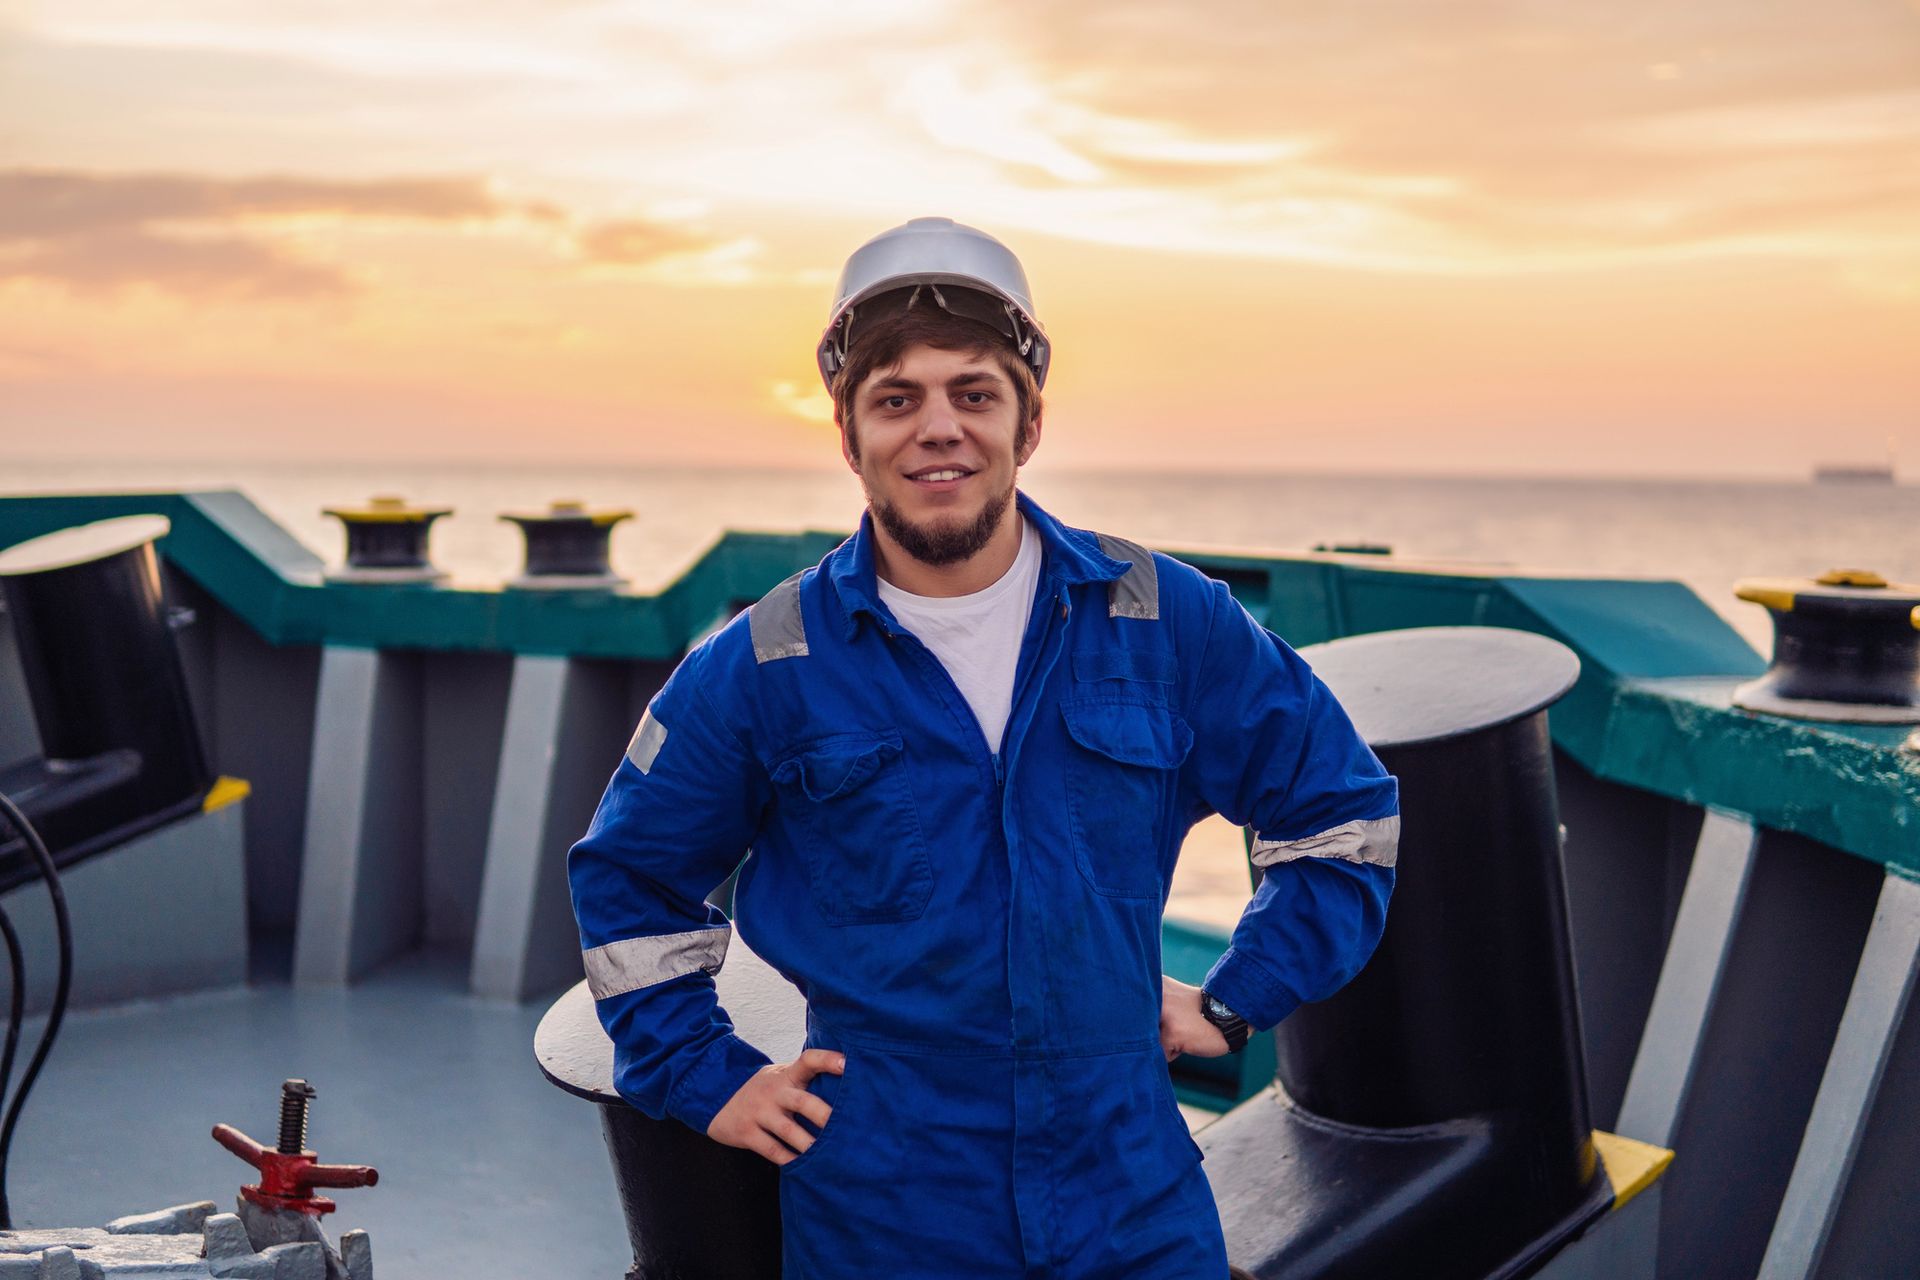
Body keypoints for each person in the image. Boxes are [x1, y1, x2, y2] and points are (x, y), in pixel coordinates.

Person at [568, 216, 1399, 1278]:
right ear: (848, 434)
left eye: (974, 392)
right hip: (886, 1214)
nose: (938, 428)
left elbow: (1342, 811)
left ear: (1029, 422)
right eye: (896, 398)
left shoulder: (1164, 623)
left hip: (1131, 1208)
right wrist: (705, 1074)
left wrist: (1238, 993)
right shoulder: (764, 666)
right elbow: (631, 877)